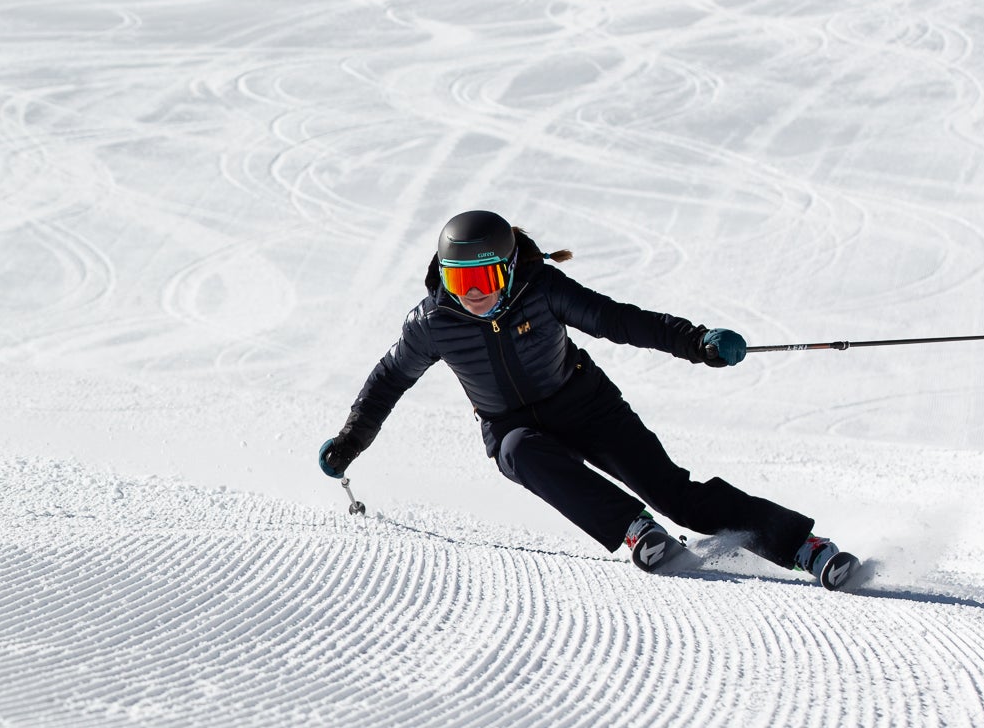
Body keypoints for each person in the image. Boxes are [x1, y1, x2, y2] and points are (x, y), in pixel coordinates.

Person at [319, 210, 859, 590]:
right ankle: (633, 529)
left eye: (484, 278)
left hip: (585, 404)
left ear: (507, 268)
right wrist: (351, 440)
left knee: (678, 496)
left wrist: (698, 342)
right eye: (461, 281)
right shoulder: (433, 323)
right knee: (516, 454)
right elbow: (388, 379)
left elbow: (619, 320)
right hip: (512, 425)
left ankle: (803, 549)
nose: (474, 294)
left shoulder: (543, 288)